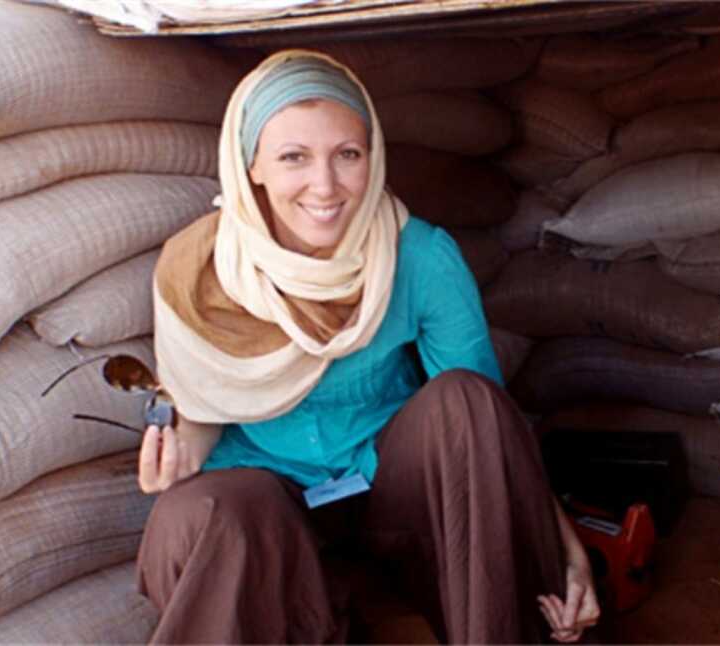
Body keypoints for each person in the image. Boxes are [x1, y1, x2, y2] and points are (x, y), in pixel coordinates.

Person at [135, 49, 599, 644]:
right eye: (293, 157)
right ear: (251, 165)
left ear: (372, 156)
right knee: (189, 516)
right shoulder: (198, 270)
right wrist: (178, 456)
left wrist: (566, 548)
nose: (325, 187)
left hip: (391, 493)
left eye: (347, 155)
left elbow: (491, 434)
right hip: (265, 502)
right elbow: (199, 411)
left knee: (465, 399)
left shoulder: (417, 255)